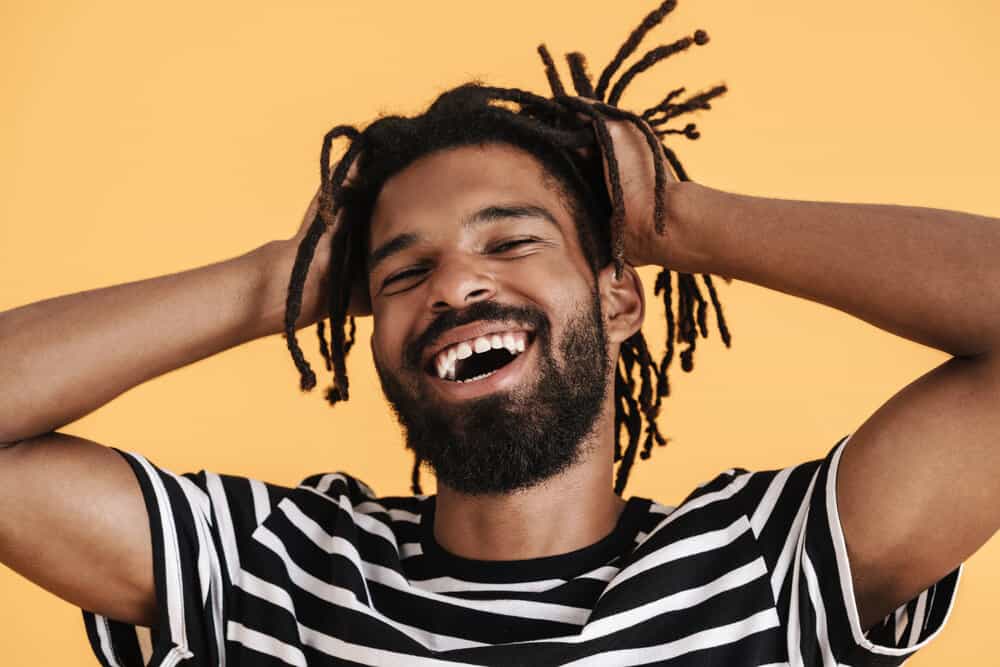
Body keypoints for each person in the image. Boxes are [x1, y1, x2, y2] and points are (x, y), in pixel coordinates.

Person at [1, 2, 997, 665]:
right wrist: (283, 277)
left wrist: (676, 220)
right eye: (400, 271)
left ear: (618, 298)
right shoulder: (273, 568)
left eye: (511, 241)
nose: (455, 284)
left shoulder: (766, 566)